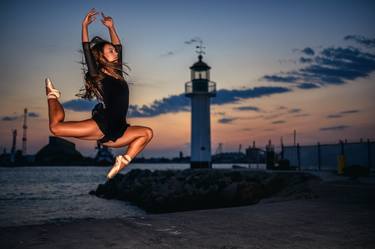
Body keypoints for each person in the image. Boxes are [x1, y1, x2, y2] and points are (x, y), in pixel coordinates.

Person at [45, 8, 153, 179]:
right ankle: (52, 96)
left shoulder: (117, 73)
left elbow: (119, 46)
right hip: (102, 125)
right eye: (110, 51)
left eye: (114, 51)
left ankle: (122, 161)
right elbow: (87, 50)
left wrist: (111, 27)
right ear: (101, 57)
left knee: (147, 133)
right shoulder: (98, 75)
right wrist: (84, 26)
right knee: (56, 128)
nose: (115, 52)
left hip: (119, 129)